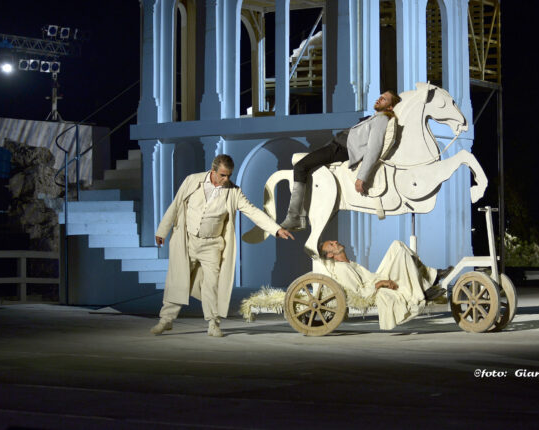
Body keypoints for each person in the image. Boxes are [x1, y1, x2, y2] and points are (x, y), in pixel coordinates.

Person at [150, 154, 295, 337]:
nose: (226, 179)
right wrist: (162, 230)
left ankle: (213, 323)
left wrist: (276, 229)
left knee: (212, 285)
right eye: (223, 175)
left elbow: (253, 211)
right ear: (213, 171)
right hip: (188, 241)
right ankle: (166, 321)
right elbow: (176, 204)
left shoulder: (233, 191)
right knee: (178, 281)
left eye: (229, 176)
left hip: (212, 245)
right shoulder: (193, 181)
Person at [280, 91, 402, 231]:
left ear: (390, 107)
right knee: (305, 165)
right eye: (380, 96)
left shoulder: (382, 120)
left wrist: (361, 177)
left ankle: (294, 217)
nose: (379, 99)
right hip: (336, 145)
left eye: (384, 99)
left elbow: (374, 149)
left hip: (340, 149)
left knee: (300, 166)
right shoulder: (375, 118)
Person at [319, 239, 452, 330]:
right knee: (402, 255)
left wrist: (380, 279)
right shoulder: (341, 269)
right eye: (331, 244)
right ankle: (425, 289)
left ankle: (432, 276)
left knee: (397, 244)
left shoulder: (349, 263)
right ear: (330, 255)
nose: (335, 242)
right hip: (377, 284)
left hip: (378, 276)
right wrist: (381, 283)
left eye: (333, 241)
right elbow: (361, 293)